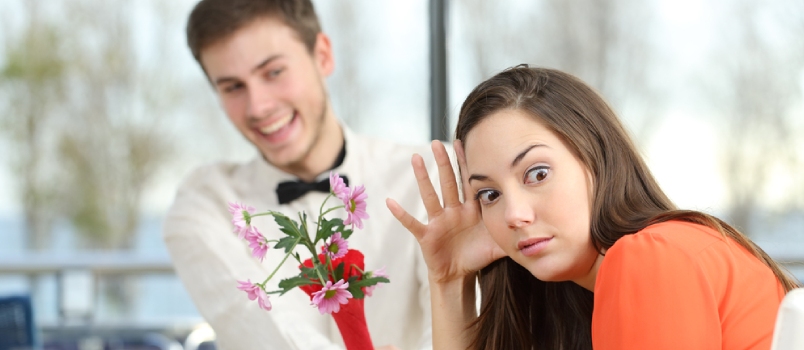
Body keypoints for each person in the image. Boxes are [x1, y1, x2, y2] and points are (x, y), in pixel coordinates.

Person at [386, 66, 801, 350]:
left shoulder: (649, 258)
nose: (514, 214)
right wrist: (449, 281)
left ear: (597, 160)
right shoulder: (588, 294)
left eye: (537, 174)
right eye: (489, 195)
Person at [163, 1, 437, 349]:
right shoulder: (205, 205)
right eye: (233, 87)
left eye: (274, 72)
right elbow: (259, 327)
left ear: (322, 55)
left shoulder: (427, 175)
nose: (258, 107)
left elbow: (463, 328)